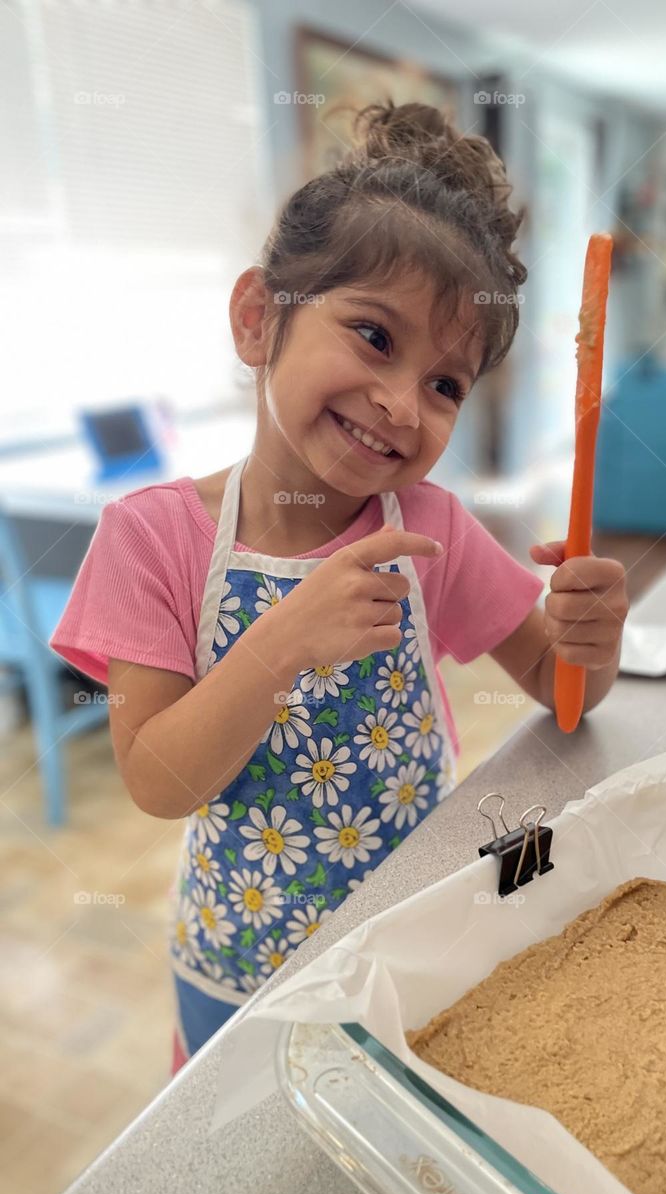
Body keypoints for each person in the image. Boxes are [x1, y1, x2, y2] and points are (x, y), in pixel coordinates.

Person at [50, 100, 629, 1071]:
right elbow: (160, 780)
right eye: (372, 335)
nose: (403, 402)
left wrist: (589, 639)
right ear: (257, 316)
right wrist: (280, 642)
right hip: (240, 962)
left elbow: (561, 693)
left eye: (447, 385)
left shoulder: (431, 527)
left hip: (406, 938)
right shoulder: (150, 536)